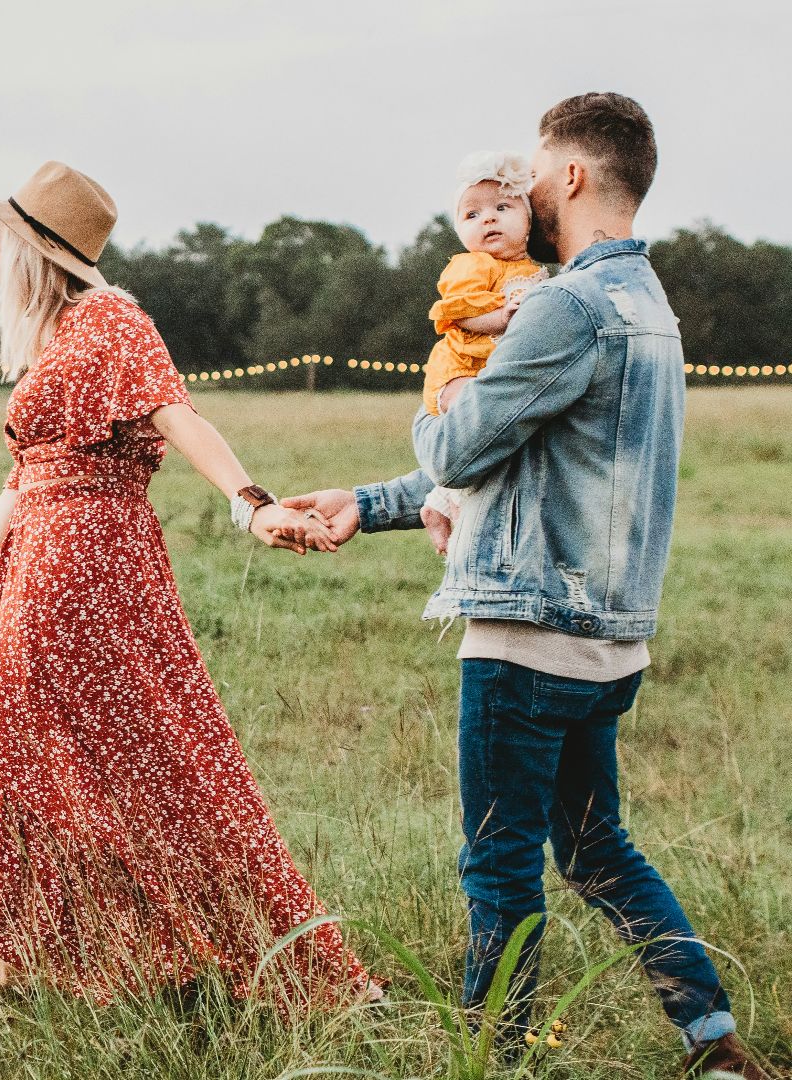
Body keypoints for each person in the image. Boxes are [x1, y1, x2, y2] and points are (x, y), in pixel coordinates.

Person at [285, 94, 774, 1078]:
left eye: (539, 175)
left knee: (499, 869)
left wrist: (446, 395)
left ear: (577, 177)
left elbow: (464, 442)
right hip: (611, 643)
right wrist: (369, 502)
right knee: (598, 854)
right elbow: (523, 461)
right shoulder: (650, 308)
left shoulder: (565, 304)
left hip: (525, 640)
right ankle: (713, 1044)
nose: (527, 192)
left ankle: (491, 1063)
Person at [0, 161, 371, 1005]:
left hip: (88, 571)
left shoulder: (111, 320)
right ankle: (46, 968)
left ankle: (219, 959)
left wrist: (251, 504)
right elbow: (18, 487)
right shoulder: (51, 340)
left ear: (36, 249)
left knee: (156, 761)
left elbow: (178, 412)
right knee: (35, 765)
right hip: (38, 571)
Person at [419, 151, 547, 548]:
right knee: (475, 429)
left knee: (496, 438)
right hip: (459, 369)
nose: (487, 219)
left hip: (489, 372)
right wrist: (502, 317)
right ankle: (447, 504)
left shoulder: (532, 271)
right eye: (471, 215)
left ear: (528, 219)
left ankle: (440, 502)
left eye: (502, 207)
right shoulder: (472, 265)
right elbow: (460, 314)